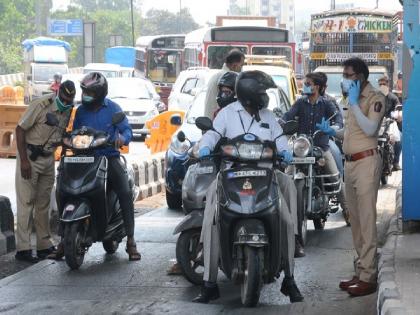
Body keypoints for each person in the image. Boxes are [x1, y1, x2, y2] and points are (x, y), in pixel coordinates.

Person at [193, 70, 303, 304]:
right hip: (231, 172)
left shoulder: (269, 116)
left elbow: (281, 137)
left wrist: (285, 150)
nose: (265, 96)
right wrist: (204, 147)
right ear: (250, 93)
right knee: (213, 210)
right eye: (262, 91)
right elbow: (212, 134)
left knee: (288, 195)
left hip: (266, 172)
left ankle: (290, 274)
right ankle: (209, 280)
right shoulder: (227, 113)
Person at [50, 72, 141, 261]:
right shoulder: (81, 111)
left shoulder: (113, 109)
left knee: (124, 191)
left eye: (89, 91)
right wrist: (68, 140)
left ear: (99, 93)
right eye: (84, 91)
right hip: (84, 158)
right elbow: (77, 131)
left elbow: (126, 130)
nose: (85, 95)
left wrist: (121, 139)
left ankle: (131, 241)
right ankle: (63, 238)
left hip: (108, 157)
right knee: (62, 189)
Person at [317, 57, 385, 296]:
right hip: (351, 164)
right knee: (355, 221)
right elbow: (352, 131)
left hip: (367, 162)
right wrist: (332, 132)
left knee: (366, 220)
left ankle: (368, 276)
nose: (345, 80)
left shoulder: (375, 98)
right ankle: (360, 270)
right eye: (344, 76)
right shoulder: (352, 100)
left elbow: (370, 129)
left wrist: (355, 104)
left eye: (348, 76)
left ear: (361, 77)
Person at [283, 72, 349, 247]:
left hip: (321, 147)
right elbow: (288, 116)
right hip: (302, 149)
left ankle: (348, 211)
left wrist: (333, 128)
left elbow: (338, 119)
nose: (305, 86)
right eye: (305, 83)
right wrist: (281, 122)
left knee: (335, 177)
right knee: (285, 176)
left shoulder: (327, 104)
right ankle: (281, 213)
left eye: (308, 83)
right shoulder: (299, 103)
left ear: (317, 87)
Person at [15, 80, 76, 263]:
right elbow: (19, 130)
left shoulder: (67, 110)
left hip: (48, 158)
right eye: (63, 99)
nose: (65, 103)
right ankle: (23, 249)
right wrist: (24, 161)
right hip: (30, 157)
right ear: (58, 94)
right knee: (26, 202)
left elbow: (61, 135)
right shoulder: (41, 105)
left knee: (43, 203)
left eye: (69, 100)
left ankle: (43, 245)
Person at [203, 49, 245, 119]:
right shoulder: (227, 77)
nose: (242, 69)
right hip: (217, 123)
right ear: (235, 66)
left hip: (211, 122)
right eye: (241, 65)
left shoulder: (217, 75)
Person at [378, 76, 402, 171]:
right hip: (376, 124)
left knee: (399, 139)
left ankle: (395, 162)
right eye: (380, 84)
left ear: (388, 84)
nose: (382, 86)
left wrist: (397, 115)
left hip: (390, 123)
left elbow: (398, 108)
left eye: (384, 84)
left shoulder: (393, 97)